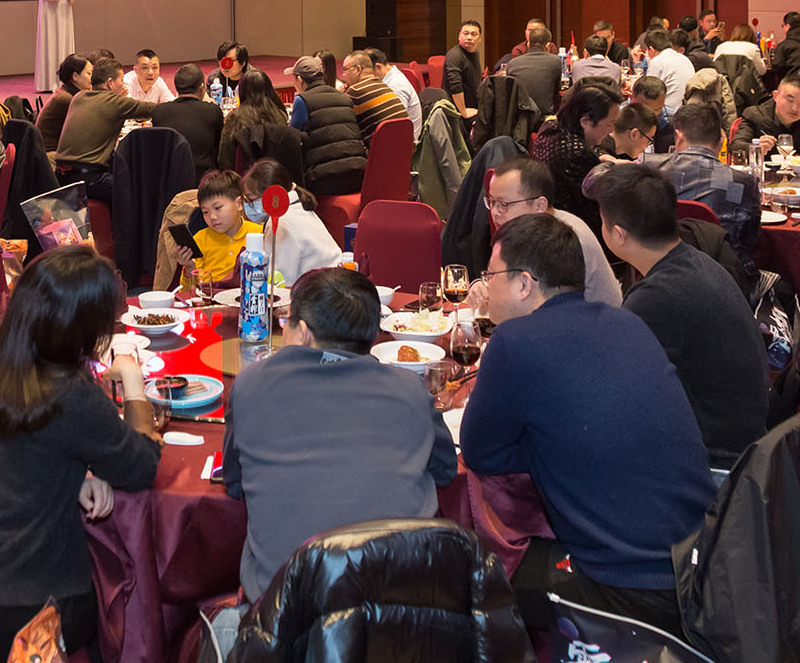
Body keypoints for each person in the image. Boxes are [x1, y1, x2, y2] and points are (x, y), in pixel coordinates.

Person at [460, 212, 714, 634]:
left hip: (626, 586)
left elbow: (481, 453)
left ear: (524, 283)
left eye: (492, 276)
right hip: (703, 563)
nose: (487, 288)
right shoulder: (628, 322)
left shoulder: (514, 341)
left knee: (470, 571)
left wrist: (544, 446)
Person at [0, 246, 160, 662]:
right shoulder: (69, 392)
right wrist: (134, 383)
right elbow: (141, 466)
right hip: (25, 622)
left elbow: (12, 455)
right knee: (116, 593)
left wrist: (76, 474)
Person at [222, 267, 456, 600]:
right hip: (399, 607)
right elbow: (445, 471)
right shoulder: (411, 390)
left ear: (302, 333)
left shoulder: (250, 384)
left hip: (285, 611)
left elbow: (234, 482)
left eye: (286, 322)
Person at [592, 165, 767, 466]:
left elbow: (618, 393)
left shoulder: (657, 296)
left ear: (618, 234)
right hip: (746, 439)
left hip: (715, 463)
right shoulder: (698, 260)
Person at [485, 156, 621, 305]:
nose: (495, 212)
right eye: (492, 202)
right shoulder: (522, 231)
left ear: (539, 205)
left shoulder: (566, 239)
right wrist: (482, 285)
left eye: (503, 204)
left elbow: (552, 307)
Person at [652, 103, 760, 279]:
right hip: (724, 278)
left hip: (659, 272)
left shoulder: (652, 170)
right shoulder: (742, 182)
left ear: (678, 136)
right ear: (722, 140)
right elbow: (750, 240)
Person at [52, 56, 157, 196]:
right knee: (142, 186)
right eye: (121, 81)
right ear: (110, 83)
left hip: (61, 177)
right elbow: (152, 109)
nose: (124, 85)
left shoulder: (79, 97)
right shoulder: (115, 101)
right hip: (90, 179)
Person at [529, 84, 617, 235]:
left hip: (542, 220)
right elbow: (597, 212)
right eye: (610, 124)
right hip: (568, 233)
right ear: (585, 121)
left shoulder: (550, 128)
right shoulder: (578, 154)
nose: (612, 130)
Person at [240, 160, 345, 284]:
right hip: (331, 280)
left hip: (322, 287)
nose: (248, 205)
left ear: (272, 196)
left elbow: (280, 281)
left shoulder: (282, 222)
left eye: (250, 198)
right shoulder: (298, 207)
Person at [287, 56, 366, 197]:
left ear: (299, 80)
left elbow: (291, 136)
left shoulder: (302, 100)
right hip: (360, 173)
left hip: (326, 179)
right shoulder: (344, 97)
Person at [217, 68, 298, 176]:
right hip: (276, 174)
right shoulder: (280, 115)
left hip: (244, 177)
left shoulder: (236, 117)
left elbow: (225, 158)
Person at [151, 64, 223, 173]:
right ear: (202, 87)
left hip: (170, 176)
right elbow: (219, 148)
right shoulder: (213, 111)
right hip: (204, 177)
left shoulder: (159, 111)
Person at [738, 76, 800, 154]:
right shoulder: (755, 115)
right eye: (790, 100)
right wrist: (756, 148)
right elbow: (736, 146)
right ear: (776, 96)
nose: (795, 108)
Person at [340, 50, 409, 143]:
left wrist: (341, 94)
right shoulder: (384, 86)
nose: (343, 75)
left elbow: (341, 125)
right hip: (405, 149)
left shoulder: (356, 91)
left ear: (358, 69)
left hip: (381, 150)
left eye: (345, 70)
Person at [504, 27, 566, 120]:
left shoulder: (512, 63)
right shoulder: (555, 61)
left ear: (529, 44)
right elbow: (556, 89)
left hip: (518, 119)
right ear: (548, 46)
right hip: (543, 118)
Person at [35, 54, 91, 154]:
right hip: (51, 154)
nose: (92, 78)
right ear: (75, 76)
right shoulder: (66, 99)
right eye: (89, 74)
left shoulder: (66, 93)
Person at [367, 46, 423, 136]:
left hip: (405, 141)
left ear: (378, 67)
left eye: (367, 73)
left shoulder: (396, 85)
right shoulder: (389, 79)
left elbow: (396, 125)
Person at [641, 30, 693, 113]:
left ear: (651, 49)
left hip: (668, 113)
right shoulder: (685, 58)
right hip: (687, 110)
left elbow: (647, 93)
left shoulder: (657, 61)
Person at [443, 19, 484, 117]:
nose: (469, 37)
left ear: (480, 38)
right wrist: (463, 112)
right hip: (456, 112)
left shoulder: (475, 53)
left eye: (474, 34)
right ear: (459, 36)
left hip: (473, 107)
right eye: (465, 33)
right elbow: (455, 87)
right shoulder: (455, 55)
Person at [767, 11, 800, 81]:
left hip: (794, 84)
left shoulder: (784, 46)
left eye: (783, 26)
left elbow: (776, 69)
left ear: (788, 26)